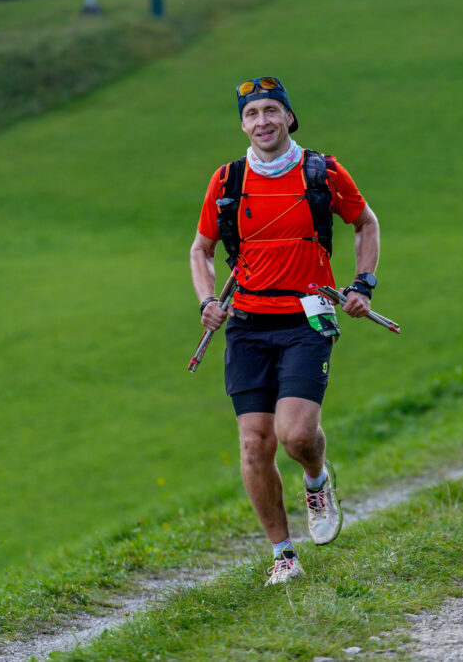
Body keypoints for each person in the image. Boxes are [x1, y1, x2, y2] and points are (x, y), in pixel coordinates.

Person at [189, 76, 381, 585]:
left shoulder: (322, 171)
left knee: (295, 435)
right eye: (252, 115)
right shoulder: (227, 181)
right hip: (248, 325)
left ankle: (316, 479)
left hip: (308, 316)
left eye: (272, 111)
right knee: (254, 445)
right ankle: (284, 555)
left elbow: (366, 223)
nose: (262, 122)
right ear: (243, 125)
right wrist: (209, 300)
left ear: (289, 118)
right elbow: (200, 250)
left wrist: (363, 284)